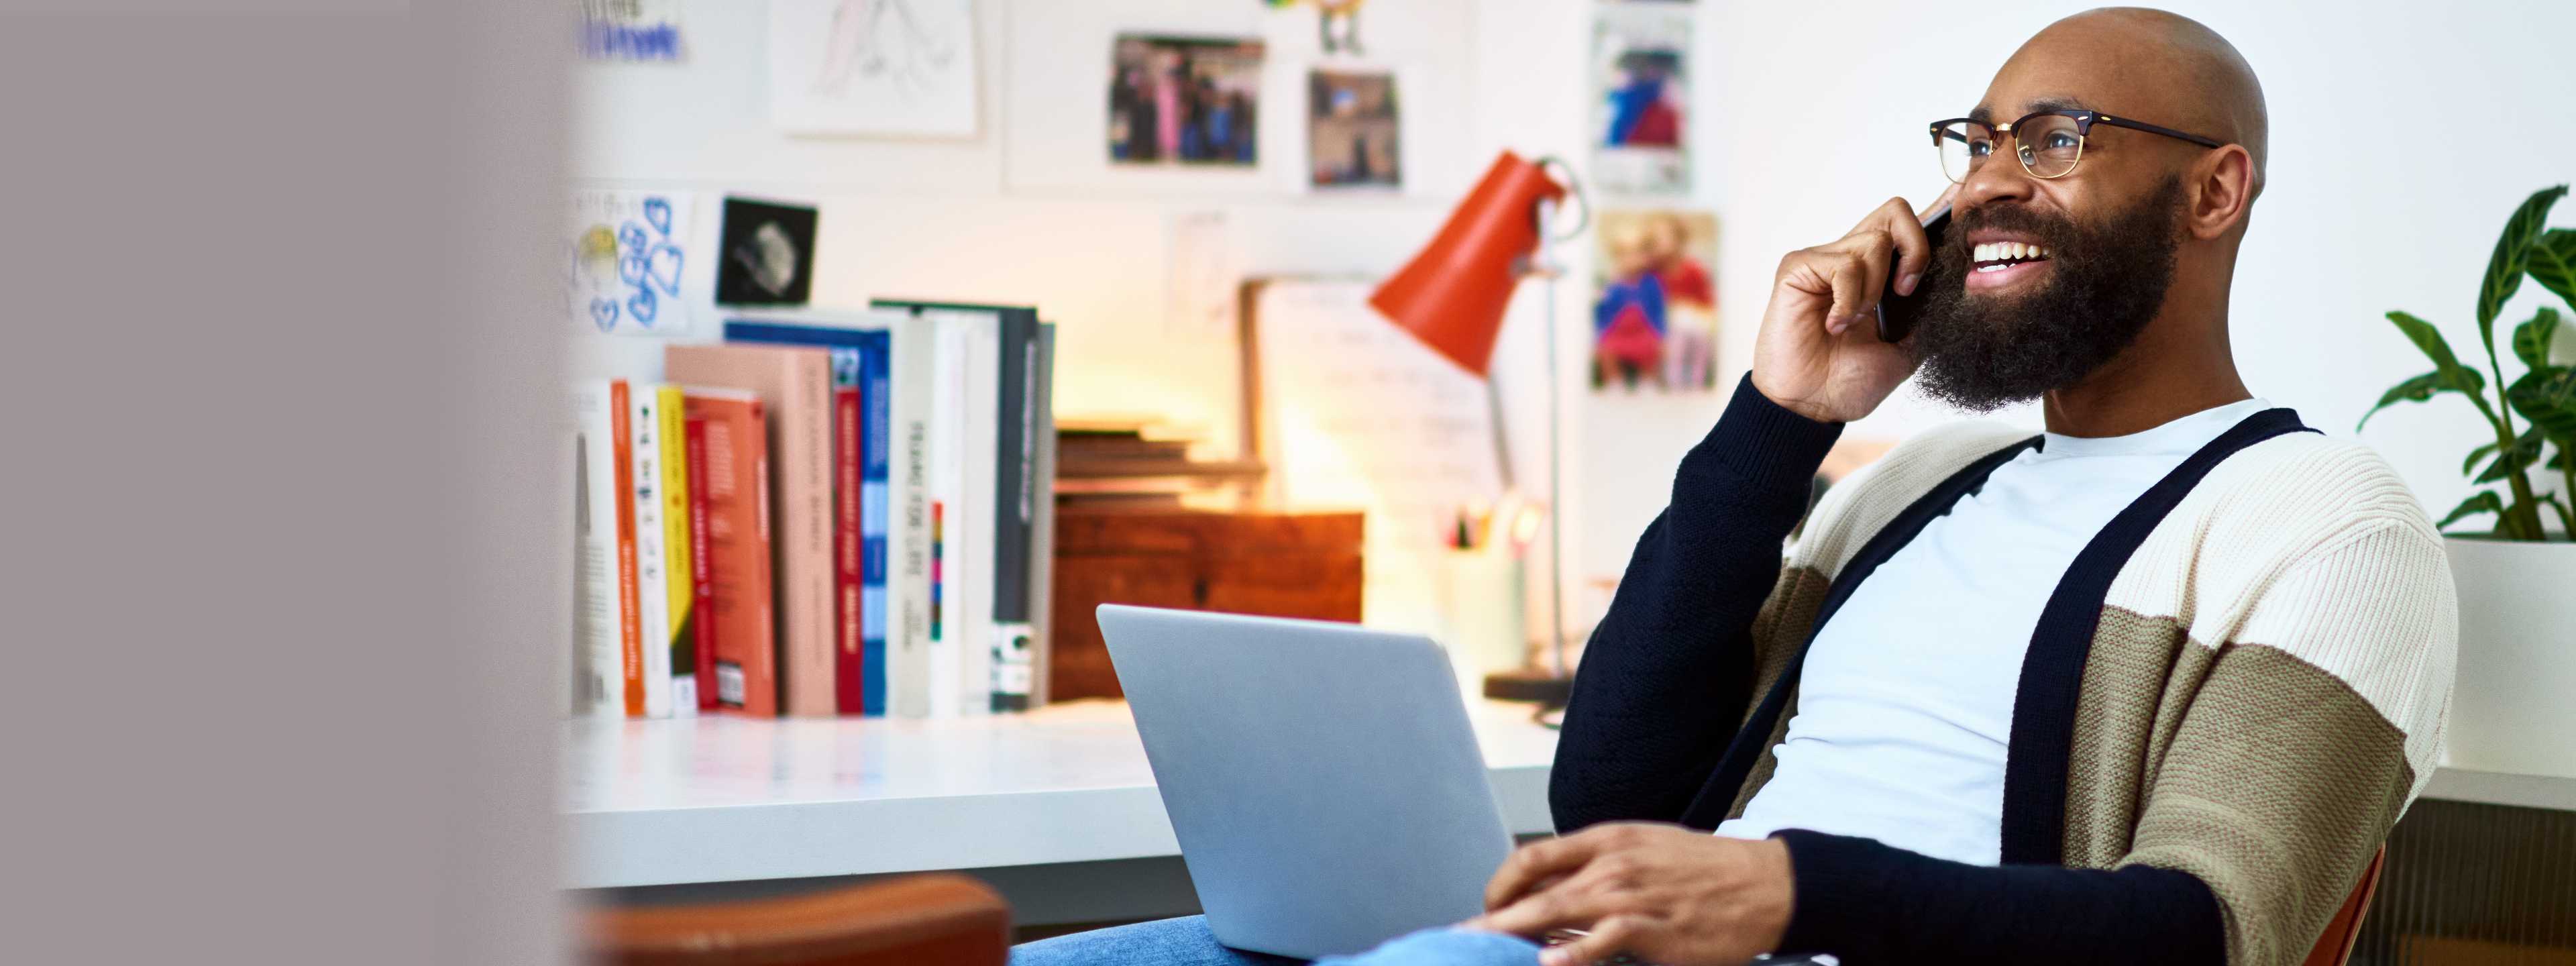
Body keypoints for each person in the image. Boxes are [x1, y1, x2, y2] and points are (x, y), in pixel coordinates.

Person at [1016, 8, 2453, 965]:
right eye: (1980, 142)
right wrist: (1779, 419)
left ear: (2215, 194)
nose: (1991, 186)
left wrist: (1786, 890)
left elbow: (2205, 930)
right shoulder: (1922, 480)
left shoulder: (2329, 524)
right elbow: (1617, 783)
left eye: (2058, 141)